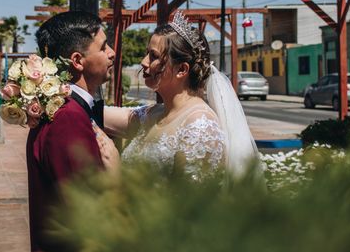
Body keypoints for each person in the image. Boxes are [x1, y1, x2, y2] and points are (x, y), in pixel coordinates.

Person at [96, 11, 260, 181]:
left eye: (154, 56)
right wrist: (67, 91)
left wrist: (115, 174)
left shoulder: (200, 126)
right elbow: (96, 112)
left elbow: (187, 205)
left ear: (182, 70)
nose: (144, 62)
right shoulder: (153, 114)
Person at [24, 11, 115, 252]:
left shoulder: (61, 109)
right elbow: (90, 209)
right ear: (78, 60)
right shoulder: (68, 118)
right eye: (103, 46)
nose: (111, 53)